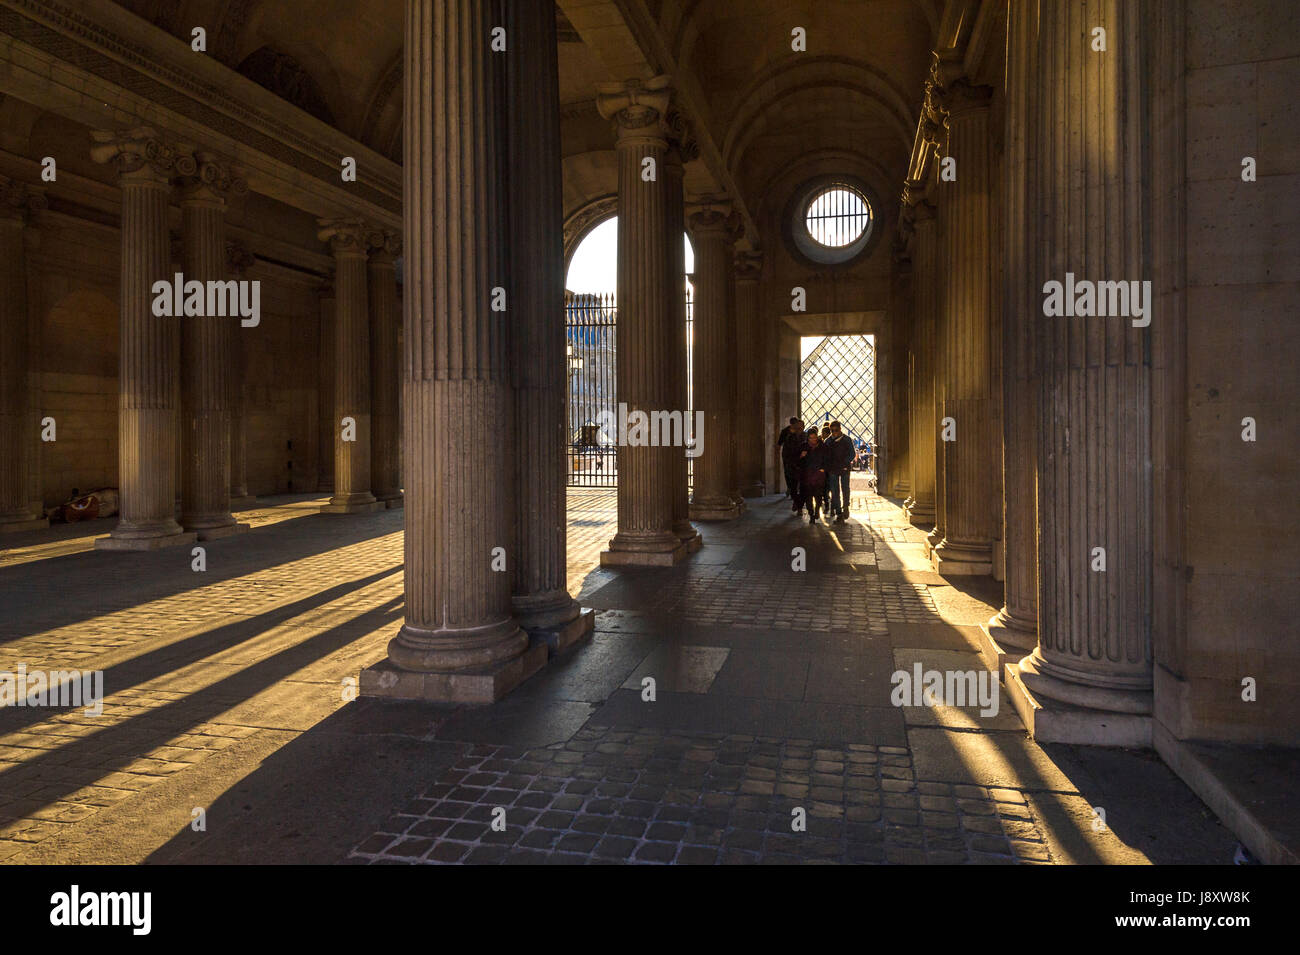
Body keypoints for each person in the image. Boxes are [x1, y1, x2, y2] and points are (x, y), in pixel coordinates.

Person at [825, 420, 854, 523]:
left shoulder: (847, 440)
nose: (834, 432)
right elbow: (825, 456)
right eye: (832, 430)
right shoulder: (828, 441)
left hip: (843, 468)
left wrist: (843, 463)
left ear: (840, 429)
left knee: (845, 488)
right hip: (834, 469)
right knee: (835, 491)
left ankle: (845, 506)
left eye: (836, 430)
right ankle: (839, 512)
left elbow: (852, 454)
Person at [798, 430, 829, 523]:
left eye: (814, 437)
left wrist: (823, 468)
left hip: (819, 474)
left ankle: (816, 510)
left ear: (817, 436)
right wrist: (801, 456)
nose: (813, 440)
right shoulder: (803, 446)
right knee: (808, 496)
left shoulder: (823, 447)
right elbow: (797, 461)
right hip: (807, 474)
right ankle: (811, 514)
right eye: (811, 438)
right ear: (808, 438)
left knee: (818, 495)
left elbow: (828, 459)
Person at [781, 418, 807, 513]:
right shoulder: (790, 437)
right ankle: (796, 502)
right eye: (797, 427)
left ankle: (799, 506)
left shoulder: (807, 436)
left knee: (802, 488)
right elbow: (787, 452)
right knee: (793, 488)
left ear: (803, 427)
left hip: (803, 466)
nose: (799, 428)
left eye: (801, 427)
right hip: (793, 465)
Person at [776, 417, 799, 497]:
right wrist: (777, 454)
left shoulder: (799, 431)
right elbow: (779, 443)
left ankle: (794, 488)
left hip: (796, 455)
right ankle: (790, 487)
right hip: (787, 455)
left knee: (795, 472)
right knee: (787, 472)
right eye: (794, 424)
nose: (795, 426)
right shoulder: (785, 431)